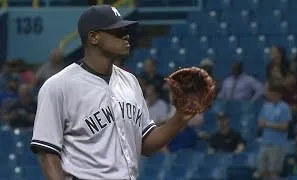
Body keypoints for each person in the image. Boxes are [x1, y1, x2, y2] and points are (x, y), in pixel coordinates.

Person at [30, 5, 198, 180]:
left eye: (125, 30)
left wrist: (180, 118)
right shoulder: (59, 86)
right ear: (94, 37)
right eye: (117, 31)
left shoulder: (130, 81)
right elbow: (48, 153)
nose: (126, 36)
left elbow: (146, 145)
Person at [254, 85, 292, 180]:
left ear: (279, 95)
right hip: (265, 143)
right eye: (270, 94)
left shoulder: (285, 107)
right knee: (262, 172)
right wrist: (271, 125)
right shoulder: (266, 106)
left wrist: (267, 124)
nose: (271, 96)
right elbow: (260, 123)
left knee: (273, 173)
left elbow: (284, 126)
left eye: (273, 94)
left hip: (277, 144)